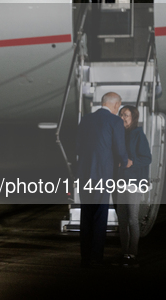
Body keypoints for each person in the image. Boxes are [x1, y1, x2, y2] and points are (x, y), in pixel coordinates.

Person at [77, 92, 130, 267]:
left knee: (86, 216)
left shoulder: (86, 119)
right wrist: (125, 161)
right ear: (116, 105)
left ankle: (84, 257)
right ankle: (96, 257)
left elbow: (77, 145)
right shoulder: (115, 121)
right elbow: (120, 148)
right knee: (100, 216)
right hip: (102, 175)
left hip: (85, 174)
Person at [117, 105, 151, 267]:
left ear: (133, 118)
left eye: (126, 115)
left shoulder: (138, 134)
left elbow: (147, 158)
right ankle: (125, 252)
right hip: (120, 182)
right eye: (121, 114)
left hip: (134, 182)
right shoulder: (119, 134)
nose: (123, 117)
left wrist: (132, 163)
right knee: (122, 220)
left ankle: (133, 252)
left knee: (132, 219)